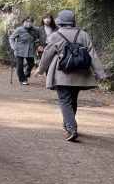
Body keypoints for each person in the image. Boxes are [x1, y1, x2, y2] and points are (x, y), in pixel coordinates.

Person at [37, 10, 107, 142]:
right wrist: (101, 74)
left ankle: (71, 127)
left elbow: (47, 54)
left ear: (60, 22)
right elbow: (92, 55)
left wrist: (40, 70)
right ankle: (68, 125)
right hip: (80, 74)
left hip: (62, 74)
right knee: (73, 99)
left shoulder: (56, 35)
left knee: (65, 100)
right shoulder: (83, 35)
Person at [9, 16, 40, 85]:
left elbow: (37, 39)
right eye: (27, 21)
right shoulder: (19, 29)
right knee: (20, 65)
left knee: (31, 64)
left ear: (32, 22)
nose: (28, 23)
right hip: (19, 49)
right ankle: (22, 80)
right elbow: (11, 38)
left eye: (30, 22)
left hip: (30, 50)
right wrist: (13, 46)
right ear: (23, 22)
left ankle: (26, 75)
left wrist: (38, 45)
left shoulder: (35, 30)